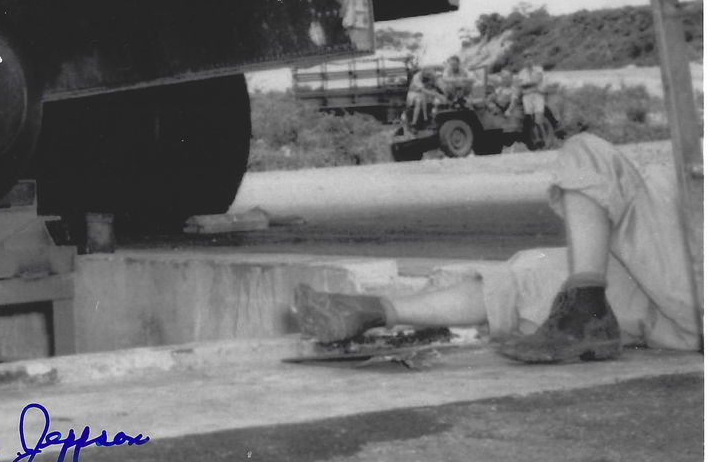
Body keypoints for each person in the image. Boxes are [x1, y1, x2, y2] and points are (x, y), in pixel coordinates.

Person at [295, 133, 700, 362]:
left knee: (589, 156)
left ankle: (586, 303)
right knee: (537, 277)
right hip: (680, 321)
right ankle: (376, 311)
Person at [516, 62, 548, 129]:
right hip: (527, 96)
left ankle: (543, 135)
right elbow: (519, 85)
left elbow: (537, 81)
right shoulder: (522, 72)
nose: (528, 60)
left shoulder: (538, 69)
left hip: (538, 94)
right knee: (529, 117)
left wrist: (525, 84)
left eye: (530, 57)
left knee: (538, 116)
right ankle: (535, 135)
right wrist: (530, 84)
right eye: (526, 58)